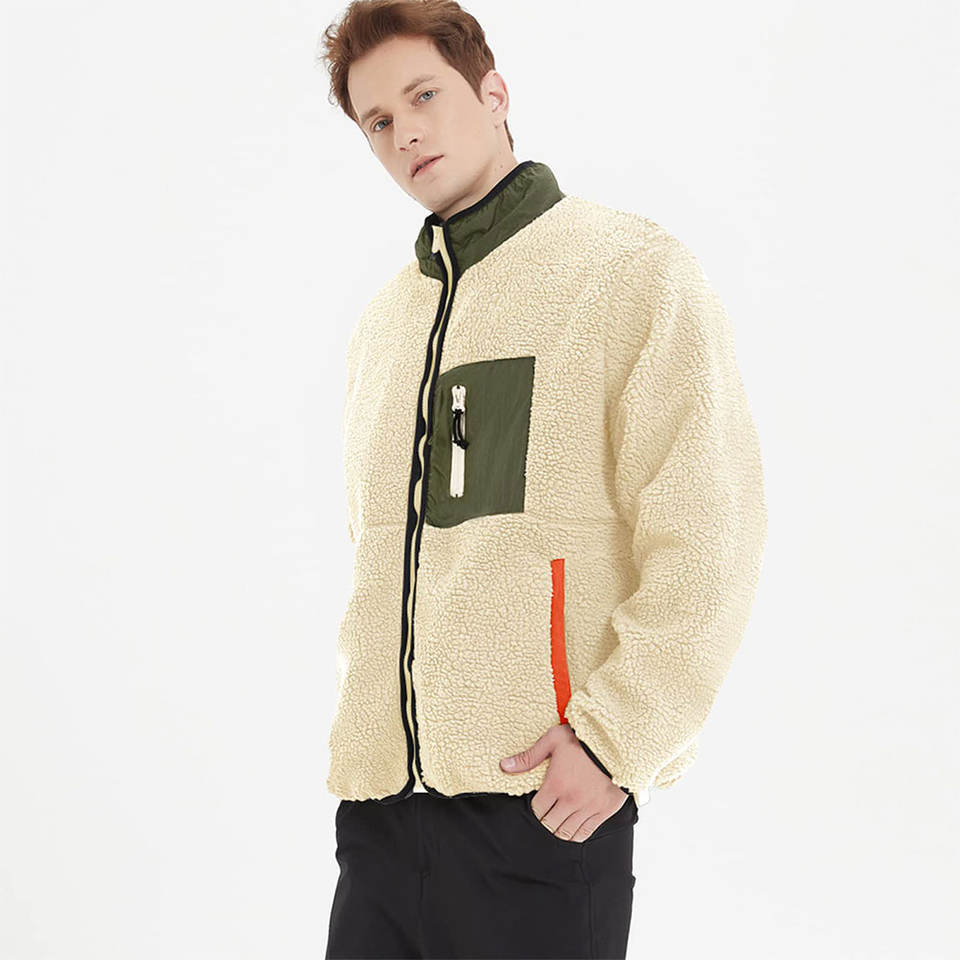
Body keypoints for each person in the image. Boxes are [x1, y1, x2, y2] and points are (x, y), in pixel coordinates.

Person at [316, 2, 768, 957]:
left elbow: (709, 535)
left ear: (494, 92)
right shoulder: (386, 326)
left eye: (424, 96)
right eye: (378, 121)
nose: (406, 134)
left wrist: (614, 741)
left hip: (538, 812)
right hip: (382, 822)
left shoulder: (629, 274)